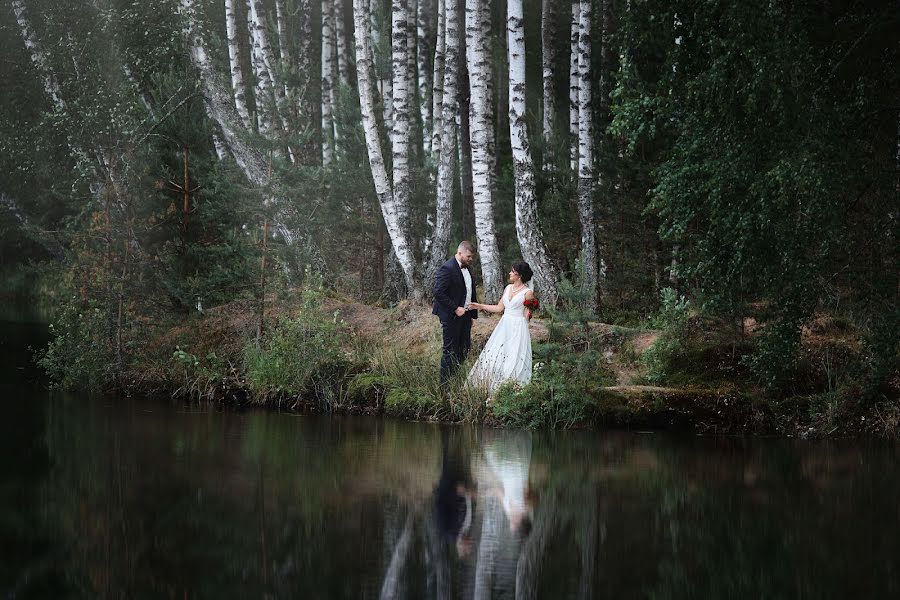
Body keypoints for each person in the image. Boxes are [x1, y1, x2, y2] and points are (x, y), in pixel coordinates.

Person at [466, 261, 536, 394]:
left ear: (519, 275)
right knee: (497, 352)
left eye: (512, 271)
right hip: (505, 325)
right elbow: (499, 308)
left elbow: (527, 313)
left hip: (518, 326)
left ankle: (510, 385)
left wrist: (530, 312)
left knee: (514, 354)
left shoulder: (527, 293)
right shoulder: (508, 288)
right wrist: (479, 306)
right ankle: (489, 384)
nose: (510, 273)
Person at [432, 241, 479, 386]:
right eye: (469, 256)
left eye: (472, 257)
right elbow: (438, 292)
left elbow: (470, 292)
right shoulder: (447, 268)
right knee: (450, 350)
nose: (471, 259)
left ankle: (455, 378)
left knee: (464, 348)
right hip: (450, 315)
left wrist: (471, 315)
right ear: (460, 253)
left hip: (465, 315)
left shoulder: (468, 269)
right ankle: (444, 386)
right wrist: (455, 308)